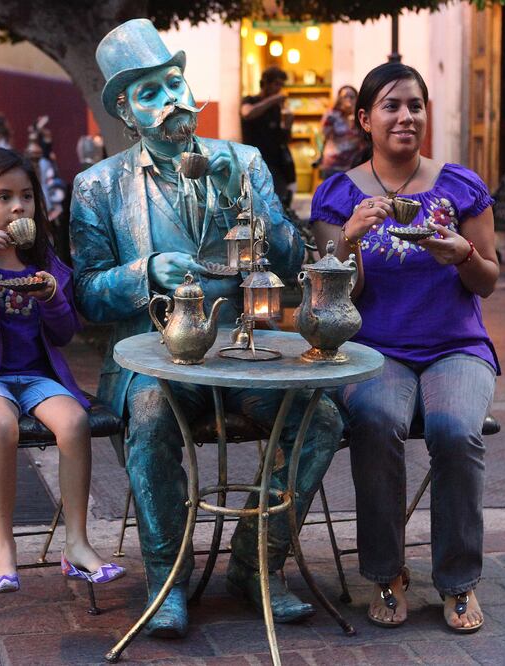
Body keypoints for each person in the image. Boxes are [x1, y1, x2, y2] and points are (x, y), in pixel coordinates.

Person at [70, 19, 342, 638]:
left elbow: (291, 263)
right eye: (149, 92)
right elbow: (86, 294)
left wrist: (240, 196)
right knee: (149, 417)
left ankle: (256, 562)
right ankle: (167, 578)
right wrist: (144, 272)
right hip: (154, 362)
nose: (170, 100)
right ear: (126, 112)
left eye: (174, 82)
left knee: (322, 419)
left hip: (245, 356)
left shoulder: (244, 162)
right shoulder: (98, 186)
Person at [310, 62, 500, 633]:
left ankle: (459, 580)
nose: (406, 117)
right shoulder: (338, 194)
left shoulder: (460, 186)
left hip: (456, 346)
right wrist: (349, 239)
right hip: (375, 350)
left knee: (455, 431)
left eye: (415, 105)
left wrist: (464, 254)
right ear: (365, 119)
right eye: (391, 106)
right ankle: (385, 573)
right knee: (375, 422)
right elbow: (338, 294)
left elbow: (488, 281)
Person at [0, 148, 124, 594]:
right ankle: (3, 547)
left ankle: (77, 543)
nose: (18, 207)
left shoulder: (43, 259)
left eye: (27, 196)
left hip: (37, 377)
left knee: (74, 422)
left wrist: (53, 297)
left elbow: (64, 334)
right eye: (4, 197)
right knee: (1, 425)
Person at [241, 66, 297, 208]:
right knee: (256, 205)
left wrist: (288, 126)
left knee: (276, 205)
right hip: (254, 162)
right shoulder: (250, 100)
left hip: (275, 164)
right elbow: (247, 113)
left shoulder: (277, 109)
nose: (279, 89)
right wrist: (273, 100)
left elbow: (283, 139)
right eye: (276, 84)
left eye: (281, 85)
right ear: (265, 83)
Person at [318, 85, 365, 180]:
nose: (348, 99)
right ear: (339, 99)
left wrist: (356, 121)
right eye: (345, 96)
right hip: (333, 163)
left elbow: (366, 137)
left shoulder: (360, 116)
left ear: (357, 99)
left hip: (353, 164)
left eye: (352, 97)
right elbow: (323, 133)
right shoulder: (332, 115)